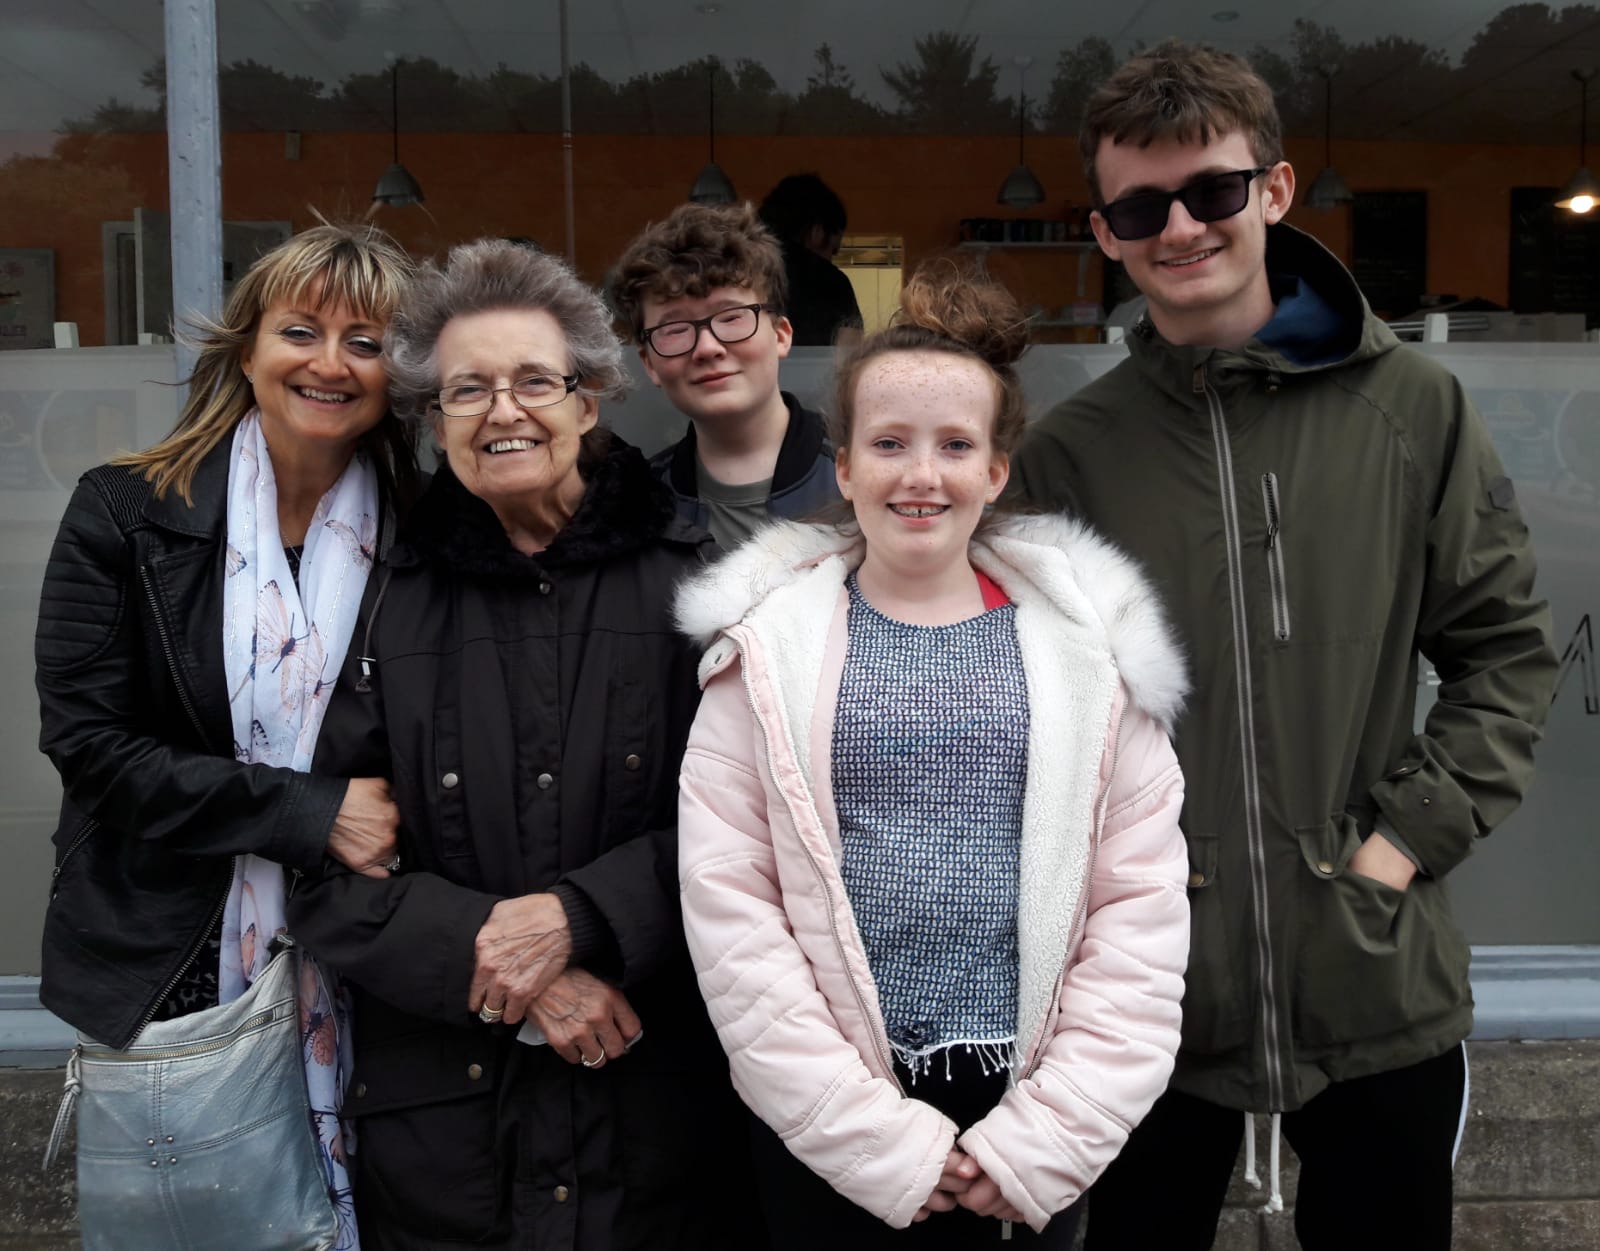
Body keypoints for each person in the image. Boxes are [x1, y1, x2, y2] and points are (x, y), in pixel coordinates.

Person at [1010, 41, 1560, 1251]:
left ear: (1274, 187)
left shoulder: (1411, 407)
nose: (1180, 229)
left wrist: (1398, 849)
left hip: (1372, 971)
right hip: (1150, 992)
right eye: (1140, 207)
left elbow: (1507, 651)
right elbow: (1030, 717)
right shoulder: (1070, 453)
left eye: (1211, 190)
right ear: (1103, 231)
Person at [674, 263, 1191, 1249]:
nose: (922, 474)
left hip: (1027, 1109)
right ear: (843, 467)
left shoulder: (1093, 657)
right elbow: (732, 911)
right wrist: (871, 1141)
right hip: (832, 1126)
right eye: (890, 444)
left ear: (996, 470)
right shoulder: (765, 654)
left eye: (956, 445)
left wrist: (1043, 1141)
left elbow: (1139, 912)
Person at [288, 239, 759, 1251]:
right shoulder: (376, 597)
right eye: (467, 390)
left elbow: (765, 830)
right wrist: (521, 963)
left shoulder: (703, 582)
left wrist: (586, 916)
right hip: (449, 1139)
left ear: (589, 401)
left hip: (658, 1122)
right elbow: (322, 863)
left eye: (534, 381)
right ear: (431, 423)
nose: (504, 412)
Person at [35, 220, 416, 1247]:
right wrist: (308, 812)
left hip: (370, 947)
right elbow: (88, 743)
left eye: (367, 342)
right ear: (246, 347)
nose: (330, 364)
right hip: (179, 943)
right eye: (302, 330)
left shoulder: (428, 529)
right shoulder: (124, 511)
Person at [610, 201, 839, 552]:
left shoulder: (857, 475)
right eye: (674, 329)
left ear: (781, 334)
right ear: (649, 363)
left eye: (732, 318)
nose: (707, 347)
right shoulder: (638, 505)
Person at [757, 172, 865, 347]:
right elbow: (851, 352)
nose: (831, 258)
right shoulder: (832, 282)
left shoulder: (740, 274)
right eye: (833, 250)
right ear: (817, 233)